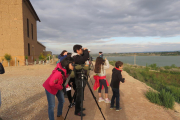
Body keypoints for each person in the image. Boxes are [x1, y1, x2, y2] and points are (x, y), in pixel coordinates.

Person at [71, 44, 89, 116]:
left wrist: (85, 51)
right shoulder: (75, 57)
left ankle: (79, 107)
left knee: (81, 93)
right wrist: (86, 50)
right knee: (79, 94)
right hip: (78, 78)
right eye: (81, 49)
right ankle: (77, 111)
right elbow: (84, 58)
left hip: (81, 77)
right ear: (77, 50)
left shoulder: (77, 56)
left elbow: (84, 57)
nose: (82, 50)